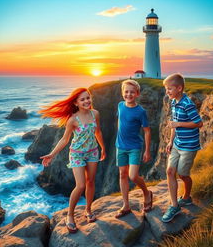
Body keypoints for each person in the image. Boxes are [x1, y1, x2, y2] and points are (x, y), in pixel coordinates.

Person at [39, 88, 106, 233]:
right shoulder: (73, 120)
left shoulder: (95, 114)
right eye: (82, 99)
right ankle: (70, 215)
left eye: (88, 98)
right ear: (76, 103)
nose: (86, 101)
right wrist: (51, 154)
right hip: (77, 154)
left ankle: (88, 210)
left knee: (90, 182)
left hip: (93, 152)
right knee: (81, 185)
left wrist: (103, 148)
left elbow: (98, 132)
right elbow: (65, 139)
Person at [162, 73, 203, 223]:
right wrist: (170, 141)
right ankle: (174, 205)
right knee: (170, 171)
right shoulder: (173, 102)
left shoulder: (188, 104)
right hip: (177, 144)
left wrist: (178, 124)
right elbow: (174, 123)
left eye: (169, 89)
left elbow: (198, 123)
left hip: (189, 146)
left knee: (183, 175)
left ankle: (186, 197)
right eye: (166, 89)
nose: (167, 92)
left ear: (179, 88)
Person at [115, 79, 152, 218]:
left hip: (135, 147)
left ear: (137, 94)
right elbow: (121, 122)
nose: (128, 94)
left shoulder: (140, 111)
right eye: (126, 92)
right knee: (122, 174)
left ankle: (147, 193)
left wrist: (147, 150)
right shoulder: (120, 106)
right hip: (120, 147)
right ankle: (126, 205)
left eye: (132, 92)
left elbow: (147, 131)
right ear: (122, 93)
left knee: (133, 176)